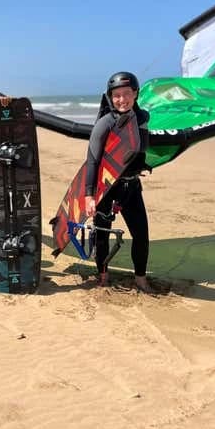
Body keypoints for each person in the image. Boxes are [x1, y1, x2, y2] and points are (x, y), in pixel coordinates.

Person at [84, 71, 152, 293]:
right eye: (116, 95)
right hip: (106, 187)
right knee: (102, 234)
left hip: (131, 186)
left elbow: (140, 150)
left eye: (126, 94)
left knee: (141, 235)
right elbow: (92, 160)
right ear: (110, 97)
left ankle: (140, 279)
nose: (122, 99)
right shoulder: (105, 123)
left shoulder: (142, 119)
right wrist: (89, 196)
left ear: (135, 93)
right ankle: (103, 275)